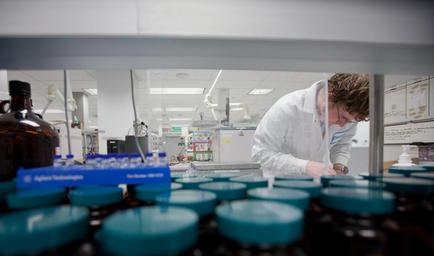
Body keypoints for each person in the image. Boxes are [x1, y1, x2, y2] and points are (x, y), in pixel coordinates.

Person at [251, 73, 369, 179]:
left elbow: (342, 144)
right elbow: (261, 154)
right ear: (329, 96)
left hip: (316, 184)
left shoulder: (347, 118)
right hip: (281, 185)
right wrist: (305, 166)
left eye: (350, 121)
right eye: (342, 117)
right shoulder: (287, 107)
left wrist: (338, 166)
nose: (343, 124)